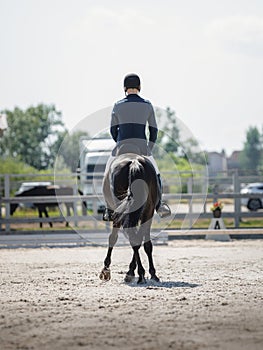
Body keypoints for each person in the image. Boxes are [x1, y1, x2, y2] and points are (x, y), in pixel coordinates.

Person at [103, 73, 171, 221]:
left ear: (125, 88)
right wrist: (149, 149)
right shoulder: (147, 105)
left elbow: (113, 130)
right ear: (139, 87)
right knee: (156, 174)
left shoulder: (117, 105)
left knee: (108, 173)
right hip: (142, 148)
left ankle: (108, 209)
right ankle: (159, 205)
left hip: (122, 148)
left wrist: (120, 143)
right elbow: (154, 131)